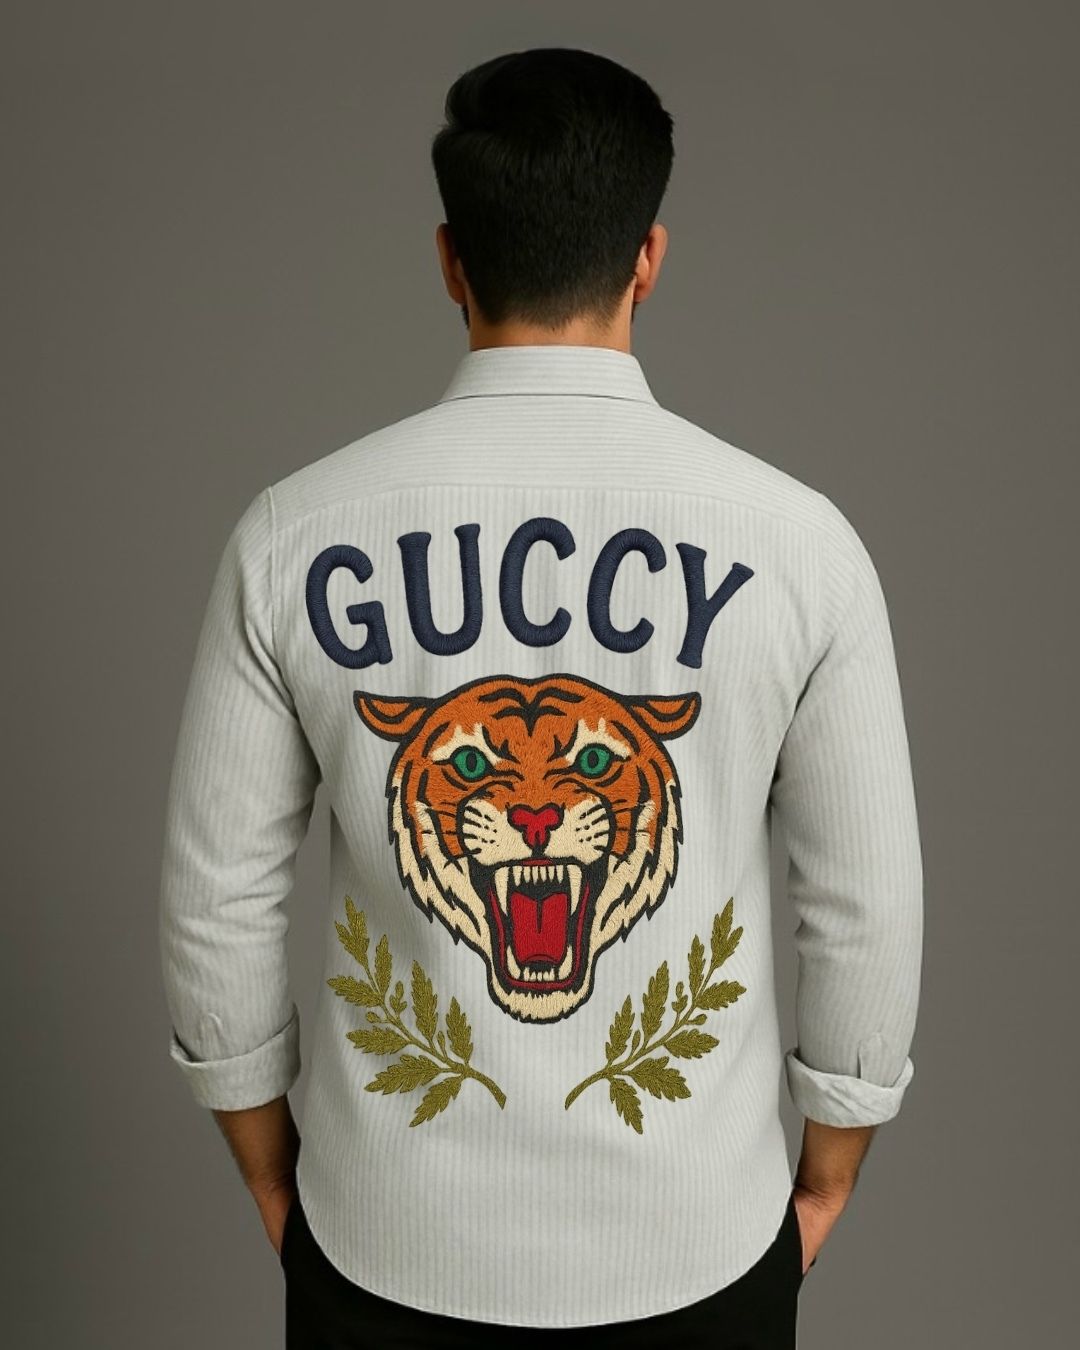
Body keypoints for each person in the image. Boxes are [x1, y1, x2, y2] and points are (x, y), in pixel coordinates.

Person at [158, 46, 923, 1350]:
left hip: (380, 1246)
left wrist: (280, 1185)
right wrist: (827, 1180)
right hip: (701, 1248)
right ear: (648, 258)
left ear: (450, 262)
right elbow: (863, 906)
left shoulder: (292, 535)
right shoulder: (803, 545)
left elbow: (216, 900)